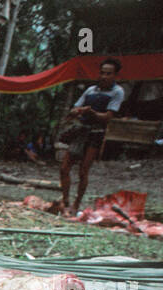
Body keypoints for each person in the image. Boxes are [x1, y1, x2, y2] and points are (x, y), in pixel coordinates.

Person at [58, 57, 124, 215]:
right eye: (102, 73)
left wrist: (92, 112)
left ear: (115, 75)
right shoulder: (90, 90)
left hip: (96, 134)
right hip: (81, 131)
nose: (104, 76)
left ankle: (76, 204)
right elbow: (75, 108)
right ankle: (65, 200)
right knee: (64, 168)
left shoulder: (117, 92)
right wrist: (76, 111)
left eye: (108, 73)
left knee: (83, 171)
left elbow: (108, 117)